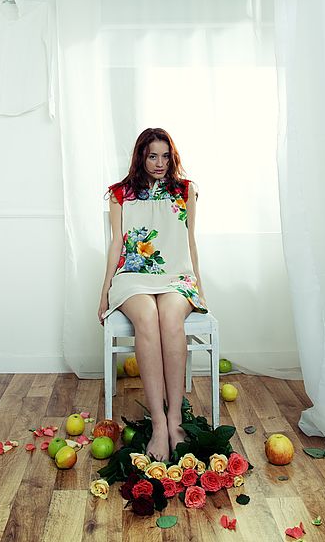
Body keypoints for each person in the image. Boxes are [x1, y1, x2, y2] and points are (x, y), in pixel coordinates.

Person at [97, 127, 208, 463]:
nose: (159, 163)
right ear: (141, 157)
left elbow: (190, 242)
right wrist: (103, 293)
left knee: (170, 316)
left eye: (165, 156)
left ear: (172, 157)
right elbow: (117, 243)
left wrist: (199, 287)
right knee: (147, 317)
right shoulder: (120, 194)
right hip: (133, 275)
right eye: (152, 156)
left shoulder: (185, 191)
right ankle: (158, 424)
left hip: (176, 275)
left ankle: (175, 418)